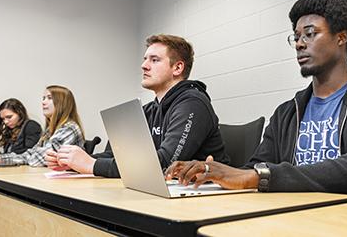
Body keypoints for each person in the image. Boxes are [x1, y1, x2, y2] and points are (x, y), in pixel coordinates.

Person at [166, 0, 347, 201]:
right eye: (296, 36)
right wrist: (215, 175)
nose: (300, 44)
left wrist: (257, 176)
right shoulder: (287, 112)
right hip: (291, 218)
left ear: (341, 37)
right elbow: (256, 168)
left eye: (310, 34)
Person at [45, 35, 229, 177]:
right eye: (145, 59)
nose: (144, 65)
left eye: (154, 60)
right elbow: (115, 155)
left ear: (178, 68)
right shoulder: (150, 109)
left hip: (204, 200)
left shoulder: (193, 103)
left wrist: (91, 165)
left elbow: (163, 164)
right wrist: (74, 162)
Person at [0, 85, 85, 166]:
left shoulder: (69, 128)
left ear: (62, 103)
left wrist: (2, 159)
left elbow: (38, 159)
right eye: (43, 98)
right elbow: (30, 154)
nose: (43, 102)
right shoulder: (49, 131)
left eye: (49, 98)